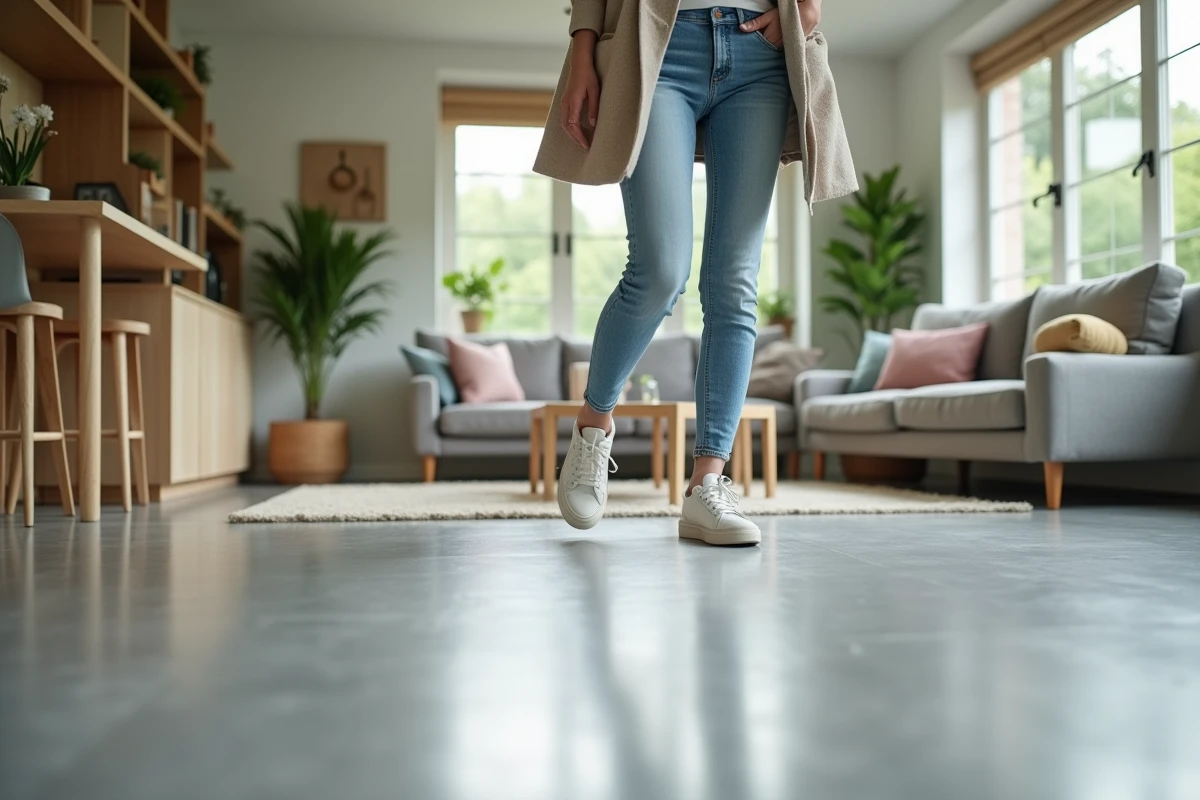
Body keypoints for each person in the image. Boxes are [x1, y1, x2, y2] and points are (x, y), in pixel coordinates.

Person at [533, 0, 856, 546]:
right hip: (658, 42)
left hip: (761, 52)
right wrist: (582, 51)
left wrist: (807, 10)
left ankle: (707, 483)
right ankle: (593, 424)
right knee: (659, 269)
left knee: (735, 283)